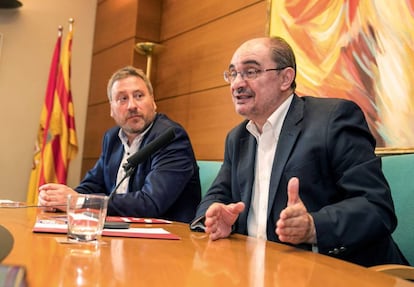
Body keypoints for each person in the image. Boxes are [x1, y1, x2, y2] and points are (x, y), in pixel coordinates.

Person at [190, 36, 408, 267]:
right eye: (233, 74)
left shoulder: (333, 119)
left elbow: (376, 207)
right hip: (258, 268)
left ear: (286, 78)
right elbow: (216, 197)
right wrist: (214, 218)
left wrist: (313, 227)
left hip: (339, 272)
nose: (237, 84)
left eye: (251, 72)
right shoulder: (238, 137)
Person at [39, 66, 201, 223]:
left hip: (167, 241)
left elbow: (151, 203)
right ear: (111, 109)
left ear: (153, 101)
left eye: (138, 96)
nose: (132, 106)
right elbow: (91, 185)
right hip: (120, 234)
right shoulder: (112, 138)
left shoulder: (170, 137)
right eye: (123, 99)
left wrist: (80, 202)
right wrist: (61, 199)